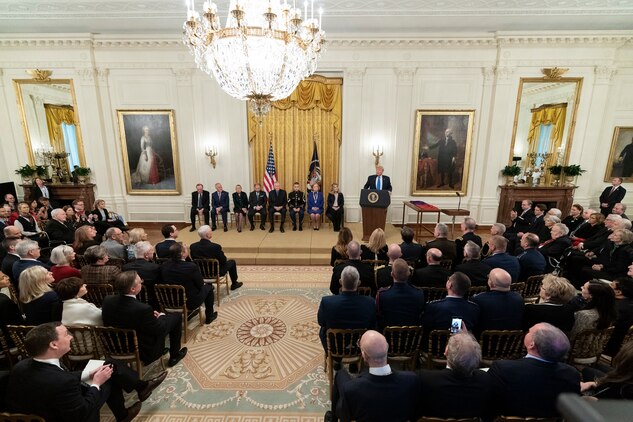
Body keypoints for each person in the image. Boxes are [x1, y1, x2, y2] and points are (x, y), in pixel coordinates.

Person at [6, 321, 166, 422]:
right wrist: (96, 383)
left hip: (48, 406)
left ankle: (141, 388)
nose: (71, 337)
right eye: (66, 335)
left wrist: (86, 374)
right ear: (54, 345)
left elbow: (59, 378)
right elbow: (82, 411)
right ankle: (125, 412)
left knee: (107, 365)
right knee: (108, 376)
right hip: (72, 415)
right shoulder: (63, 382)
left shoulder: (22, 365)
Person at [488, 323, 581, 418]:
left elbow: (489, 404)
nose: (527, 333)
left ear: (532, 344)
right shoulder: (572, 374)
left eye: (529, 332)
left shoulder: (502, 369)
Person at [326, 330, 420, 422]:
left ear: (364, 356)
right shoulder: (412, 380)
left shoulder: (351, 389)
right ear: (387, 347)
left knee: (340, 374)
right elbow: (415, 415)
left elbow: (343, 415)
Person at [102, 271, 187, 367]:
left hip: (114, 346)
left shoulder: (107, 300)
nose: (142, 282)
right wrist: (161, 316)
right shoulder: (143, 309)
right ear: (133, 289)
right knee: (176, 317)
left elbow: (128, 316)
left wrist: (150, 317)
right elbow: (159, 329)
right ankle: (174, 356)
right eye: (140, 281)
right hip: (142, 350)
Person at [417, 333, 491, 419]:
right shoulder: (485, 381)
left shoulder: (425, 379)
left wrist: (466, 341)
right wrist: (467, 342)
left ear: (446, 352)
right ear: (477, 358)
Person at [318, 266, 376, 351]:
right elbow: (373, 324)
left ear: (340, 282)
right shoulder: (370, 302)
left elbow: (321, 322)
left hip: (336, 347)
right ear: (359, 283)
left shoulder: (327, 302)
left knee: (322, 330)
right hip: (359, 346)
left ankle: (333, 357)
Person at [161, 242, 218, 324]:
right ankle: (209, 316)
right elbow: (200, 284)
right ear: (182, 254)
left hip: (169, 300)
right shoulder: (191, 267)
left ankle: (190, 313)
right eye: (186, 249)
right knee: (208, 288)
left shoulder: (164, 265)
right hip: (189, 302)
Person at [189, 225, 243, 290]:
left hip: (201, 272)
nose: (212, 232)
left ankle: (209, 285)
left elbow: (193, 259)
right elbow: (223, 261)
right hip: (215, 272)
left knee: (206, 264)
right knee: (232, 262)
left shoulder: (193, 246)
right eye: (210, 231)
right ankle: (234, 284)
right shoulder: (215, 247)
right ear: (207, 235)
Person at [471, 268, 524, 334]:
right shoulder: (519, 299)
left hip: (483, 340)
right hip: (512, 341)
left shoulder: (479, 299)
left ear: (491, 283)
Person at [376, 258, 424, 329]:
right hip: (413, 336)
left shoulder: (383, 295)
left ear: (392, 274)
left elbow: (379, 317)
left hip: (387, 336)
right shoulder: (419, 294)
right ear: (409, 274)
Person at [122, 241, 161, 310]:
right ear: (146, 254)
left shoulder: (125, 267)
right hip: (152, 302)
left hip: (130, 301)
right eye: (152, 251)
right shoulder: (155, 267)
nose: (153, 253)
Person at [604, 276, 633, 355]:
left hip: (606, 345)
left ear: (618, 292)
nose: (608, 286)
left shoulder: (617, 308)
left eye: (611, 285)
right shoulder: (628, 303)